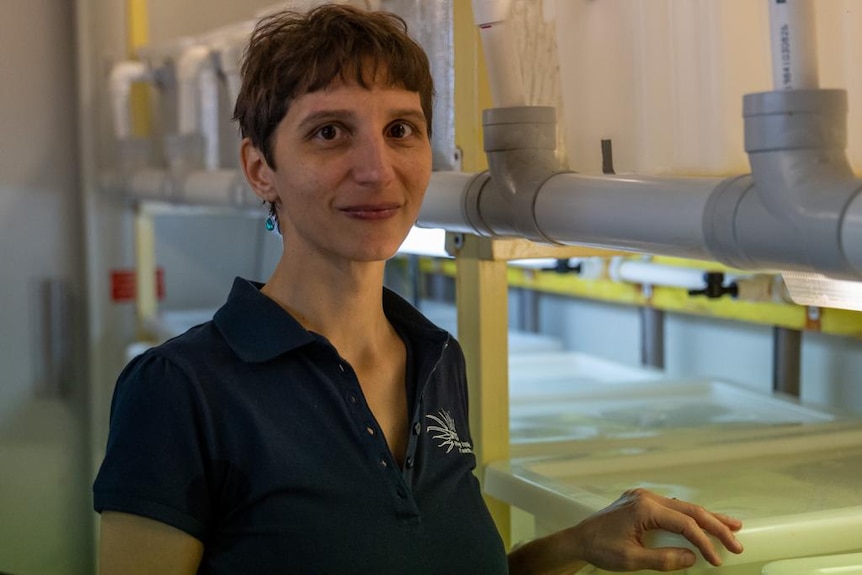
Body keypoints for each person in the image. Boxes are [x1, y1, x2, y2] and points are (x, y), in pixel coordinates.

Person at [93, 5, 744, 574]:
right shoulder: (180, 390)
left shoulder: (435, 359)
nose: (377, 170)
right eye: (329, 132)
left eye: (400, 129)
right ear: (261, 168)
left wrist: (577, 540)